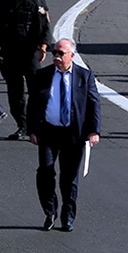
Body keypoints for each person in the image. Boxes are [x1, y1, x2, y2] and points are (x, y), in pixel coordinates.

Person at [27, 39, 100, 233]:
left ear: (72, 56)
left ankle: (68, 216)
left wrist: (94, 131)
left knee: (69, 179)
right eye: (55, 53)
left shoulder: (84, 77)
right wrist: (32, 130)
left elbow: (94, 104)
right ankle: (50, 211)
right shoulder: (43, 75)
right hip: (48, 133)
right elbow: (33, 104)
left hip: (73, 135)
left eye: (61, 53)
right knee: (45, 172)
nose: (57, 57)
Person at [0, 0, 51, 140]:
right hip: (10, 55)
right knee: (15, 95)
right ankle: (22, 126)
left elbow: (44, 28)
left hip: (29, 55)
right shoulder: (4, 6)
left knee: (35, 92)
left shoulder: (35, 5)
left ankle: (36, 125)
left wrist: (43, 47)